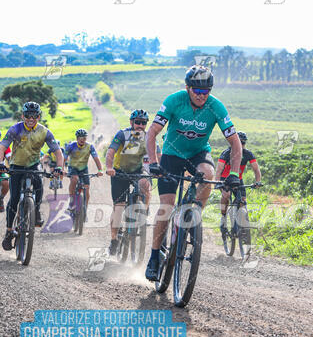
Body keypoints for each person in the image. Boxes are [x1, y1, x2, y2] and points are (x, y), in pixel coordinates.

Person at [144, 65, 243, 281]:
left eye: (206, 91)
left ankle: (194, 215)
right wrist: (153, 163)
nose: (201, 96)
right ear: (188, 88)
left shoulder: (216, 106)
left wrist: (234, 173)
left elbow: (235, 144)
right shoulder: (173, 100)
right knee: (166, 206)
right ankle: (154, 256)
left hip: (198, 153)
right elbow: (151, 133)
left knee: (207, 173)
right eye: (197, 91)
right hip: (171, 154)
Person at [0, 101, 64, 250]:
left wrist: (59, 167)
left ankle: (35, 212)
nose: (31, 118)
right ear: (23, 115)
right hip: (16, 166)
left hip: (34, 166)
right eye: (28, 115)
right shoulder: (15, 129)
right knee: (14, 199)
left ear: (39, 116)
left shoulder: (44, 131)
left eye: (34, 116)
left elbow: (57, 152)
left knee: (39, 189)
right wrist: (1, 163)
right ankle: (9, 231)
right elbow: (3, 146)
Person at [106, 109, 161, 256]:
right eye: (137, 122)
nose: (140, 125)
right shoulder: (122, 134)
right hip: (119, 172)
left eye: (143, 123)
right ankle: (114, 240)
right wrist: (109, 167)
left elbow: (158, 154)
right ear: (131, 122)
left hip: (137, 171)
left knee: (145, 184)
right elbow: (111, 151)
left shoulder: (149, 137)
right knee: (118, 208)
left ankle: (144, 210)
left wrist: (161, 170)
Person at [215, 131, 262, 230]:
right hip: (225, 179)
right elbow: (219, 170)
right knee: (226, 196)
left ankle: (243, 229)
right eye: (240, 142)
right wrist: (218, 182)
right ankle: (223, 218)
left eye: (244, 143)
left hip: (238, 180)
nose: (242, 145)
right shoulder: (226, 153)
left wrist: (258, 181)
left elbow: (256, 169)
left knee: (242, 202)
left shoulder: (248, 154)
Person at [64, 129, 102, 212]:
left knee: (87, 188)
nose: (82, 140)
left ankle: (85, 208)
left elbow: (96, 158)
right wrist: (62, 169)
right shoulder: (71, 146)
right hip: (73, 167)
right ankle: (71, 201)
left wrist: (100, 170)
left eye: (84, 138)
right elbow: (64, 158)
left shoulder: (90, 146)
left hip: (83, 168)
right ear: (77, 138)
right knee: (74, 179)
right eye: (80, 138)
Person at [0, 137, 11, 213]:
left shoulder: (5, 146)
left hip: (1, 170)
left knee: (6, 182)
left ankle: (1, 198)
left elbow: (10, 158)